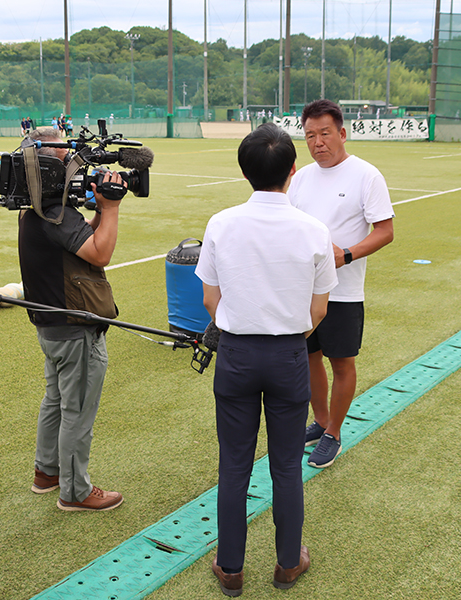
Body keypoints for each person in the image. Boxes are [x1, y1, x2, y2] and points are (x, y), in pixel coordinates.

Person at [195, 123, 337, 596]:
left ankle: (231, 567)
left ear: (244, 171)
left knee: (234, 464)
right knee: (285, 465)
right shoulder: (314, 230)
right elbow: (318, 309)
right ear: (293, 170)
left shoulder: (221, 223)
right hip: (289, 356)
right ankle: (286, 564)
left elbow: (210, 300)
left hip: (236, 353)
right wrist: (289, 334)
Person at [18, 128, 126, 512]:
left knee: (56, 401)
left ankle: (47, 473)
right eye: (69, 161)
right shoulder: (56, 213)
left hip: (52, 327)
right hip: (74, 329)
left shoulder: (38, 210)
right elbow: (99, 253)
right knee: (76, 410)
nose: (75, 170)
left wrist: (99, 211)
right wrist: (111, 209)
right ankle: (75, 491)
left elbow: (79, 241)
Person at [287, 99, 395, 468]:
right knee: (309, 356)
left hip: (344, 292)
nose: (318, 142)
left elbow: (386, 231)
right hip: (303, 289)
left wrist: (345, 254)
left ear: (342, 133)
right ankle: (320, 421)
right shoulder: (300, 178)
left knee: (342, 363)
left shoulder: (366, 175)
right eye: (310, 135)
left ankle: (333, 433)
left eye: (325, 133)